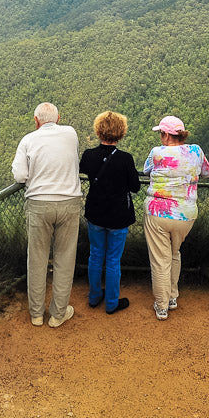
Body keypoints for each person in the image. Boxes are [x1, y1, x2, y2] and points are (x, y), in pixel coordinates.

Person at [12, 102, 82, 328]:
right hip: (69, 202)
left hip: (39, 204)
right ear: (58, 118)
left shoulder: (28, 140)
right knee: (65, 259)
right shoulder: (71, 134)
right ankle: (58, 314)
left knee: (37, 259)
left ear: (36, 121)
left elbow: (20, 176)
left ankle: (36, 314)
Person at [143, 115, 209, 320]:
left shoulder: (157, 153)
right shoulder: (196, 151)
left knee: (160, 261)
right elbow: (207, 172)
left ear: (166, 135)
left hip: (158, 212)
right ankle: (172, 297)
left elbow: (146, 170)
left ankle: (162, 306)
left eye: (160, 133)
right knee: (174, 253)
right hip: (186, 214)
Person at [79, 111, 141, 314]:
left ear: (98, 131)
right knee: (113, 260)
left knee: (95, 255)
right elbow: (135, 187)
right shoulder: (125, 159)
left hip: (95, 213)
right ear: (121, 133)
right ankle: (112, 303)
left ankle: (94, 296)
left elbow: (82, 170)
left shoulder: (88, 155)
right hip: (118, 216)